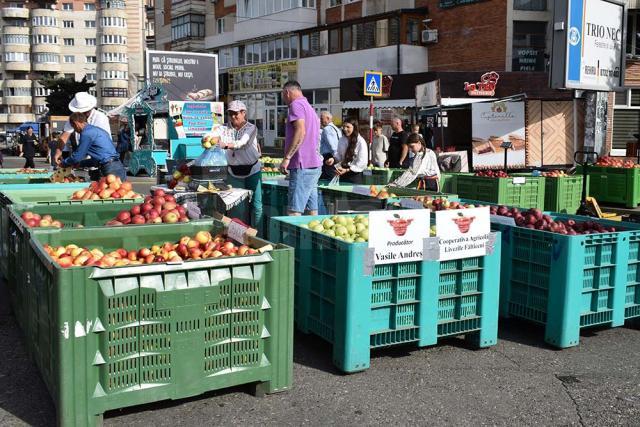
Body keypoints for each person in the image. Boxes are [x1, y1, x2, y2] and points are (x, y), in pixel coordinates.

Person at [279, 80, 323, 216]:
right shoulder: (309, 107)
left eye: (282, 95)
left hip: (302, 164)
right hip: (314, 164)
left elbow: (300, 131)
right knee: (312, 211)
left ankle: (291, 238)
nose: (283, 99)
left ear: (287, 92)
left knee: (294, 212)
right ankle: (311, 237)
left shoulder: (295, 105)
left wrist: (287, 158)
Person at [219, 100, 263, 234]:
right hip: (233, 172)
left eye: (236, 114)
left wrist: (226, 145)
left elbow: (243, 143)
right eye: (230, 114)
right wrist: (208, 139)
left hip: (253, 171)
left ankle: (256, 235)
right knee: (237, 208)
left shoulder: (251, 128)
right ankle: (238, 236)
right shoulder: (223, 128)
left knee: (256, 206)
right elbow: (212, 136)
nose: (233, 117)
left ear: (244, 113)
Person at [60, 112, 127, 181]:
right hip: (117, 165)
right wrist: (81, 164)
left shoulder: (86, 133)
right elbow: (99, 158)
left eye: (73, 127)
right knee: (121, 190)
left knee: (112, 190)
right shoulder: (97, 130)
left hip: (110, 168)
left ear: (76, 123)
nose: (75, 131)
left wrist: (64, 163)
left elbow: (77, 156)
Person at [54, 92, 112, 165]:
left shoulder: (100, 117)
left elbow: (104, 141)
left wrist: (68, 162)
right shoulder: (74, 118)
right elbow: (65, 135)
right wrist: (58, 152)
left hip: (101, 158)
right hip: (86, 157)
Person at [325, 118, 368, 184]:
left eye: (348, 127)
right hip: (342, 173)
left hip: (354, 175)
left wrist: (348, 170)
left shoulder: (360, 142)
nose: (345, 129)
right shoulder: (342, 140)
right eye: (344, 126)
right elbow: (339, 155)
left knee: (353, 194)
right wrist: (333, 159)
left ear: (354, 128)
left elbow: (362, 162)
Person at [319, 111, 342, 180]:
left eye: (322, 119)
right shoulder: (336, 128)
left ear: (328, 118)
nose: (320, 121)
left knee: (329, 178)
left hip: (329, 157)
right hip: (336, 156)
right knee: (334, 177)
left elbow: (332, 145)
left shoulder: (326, 129)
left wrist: (335, 158)